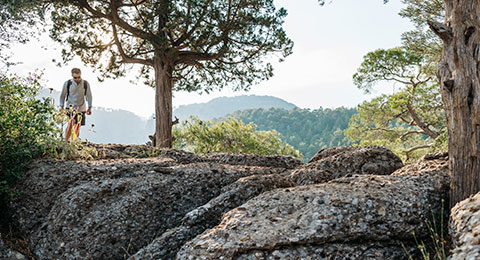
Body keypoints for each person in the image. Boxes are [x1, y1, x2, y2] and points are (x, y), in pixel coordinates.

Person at [59, 68, 93, 142]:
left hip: (81, 107)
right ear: (72, 75)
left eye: (79, 77)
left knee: (77, 126)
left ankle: (74, 143)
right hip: (70, 107)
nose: (77, 79)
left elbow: (89, 95)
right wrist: (61, 106)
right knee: (70, 123)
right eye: (75, 77)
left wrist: (89, 107)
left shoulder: (85, 84)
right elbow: (62, 95)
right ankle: (66, 141)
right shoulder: (68, 83)